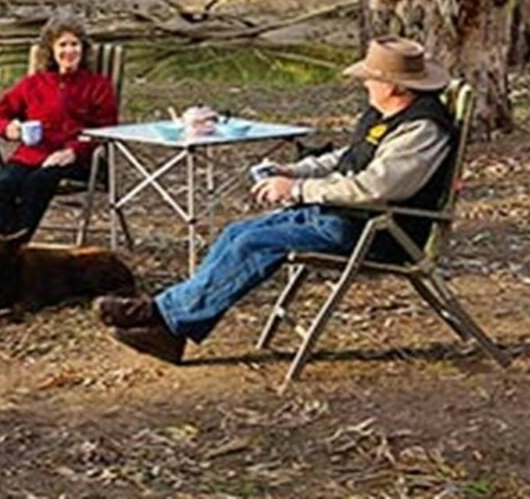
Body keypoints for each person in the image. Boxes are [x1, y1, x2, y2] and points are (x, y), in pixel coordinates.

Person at [95, 36, 454, 364]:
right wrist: (294, 170)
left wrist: (297, 190)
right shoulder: (387, 115)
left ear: (393, 86)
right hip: (342, 216)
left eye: (370, 78)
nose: (364, 84)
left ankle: (157, 315)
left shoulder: (422, 129)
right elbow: (348, 158)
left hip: (378, 232)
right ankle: (168, 327)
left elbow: (375, 188)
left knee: (251, 244)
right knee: (236, 233)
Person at [0, 12, 119, 237]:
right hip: (31, 154)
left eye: (74, 44)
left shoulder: (98, 86)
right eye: (62, 45)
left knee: (38, 182)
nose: (69, 51)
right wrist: (7, 128)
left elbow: (107, 130)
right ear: (51, 51)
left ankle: (16, 246)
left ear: (83, 49)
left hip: (77, 160)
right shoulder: (33, 84)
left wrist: (74, 151)